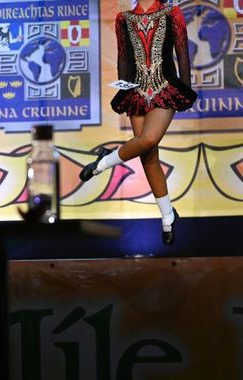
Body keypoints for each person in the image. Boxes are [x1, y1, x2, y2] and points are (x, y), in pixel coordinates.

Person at [79, 0, 197, 245]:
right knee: (148, 156)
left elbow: (182, 53)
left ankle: (103, 162)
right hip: (136, 90)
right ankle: (167, 217)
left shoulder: (171, 13)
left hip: (164, 87)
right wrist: (124, 91)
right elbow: (124, 57)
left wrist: (185, 90)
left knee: (149, 139)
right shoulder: (124, 19)